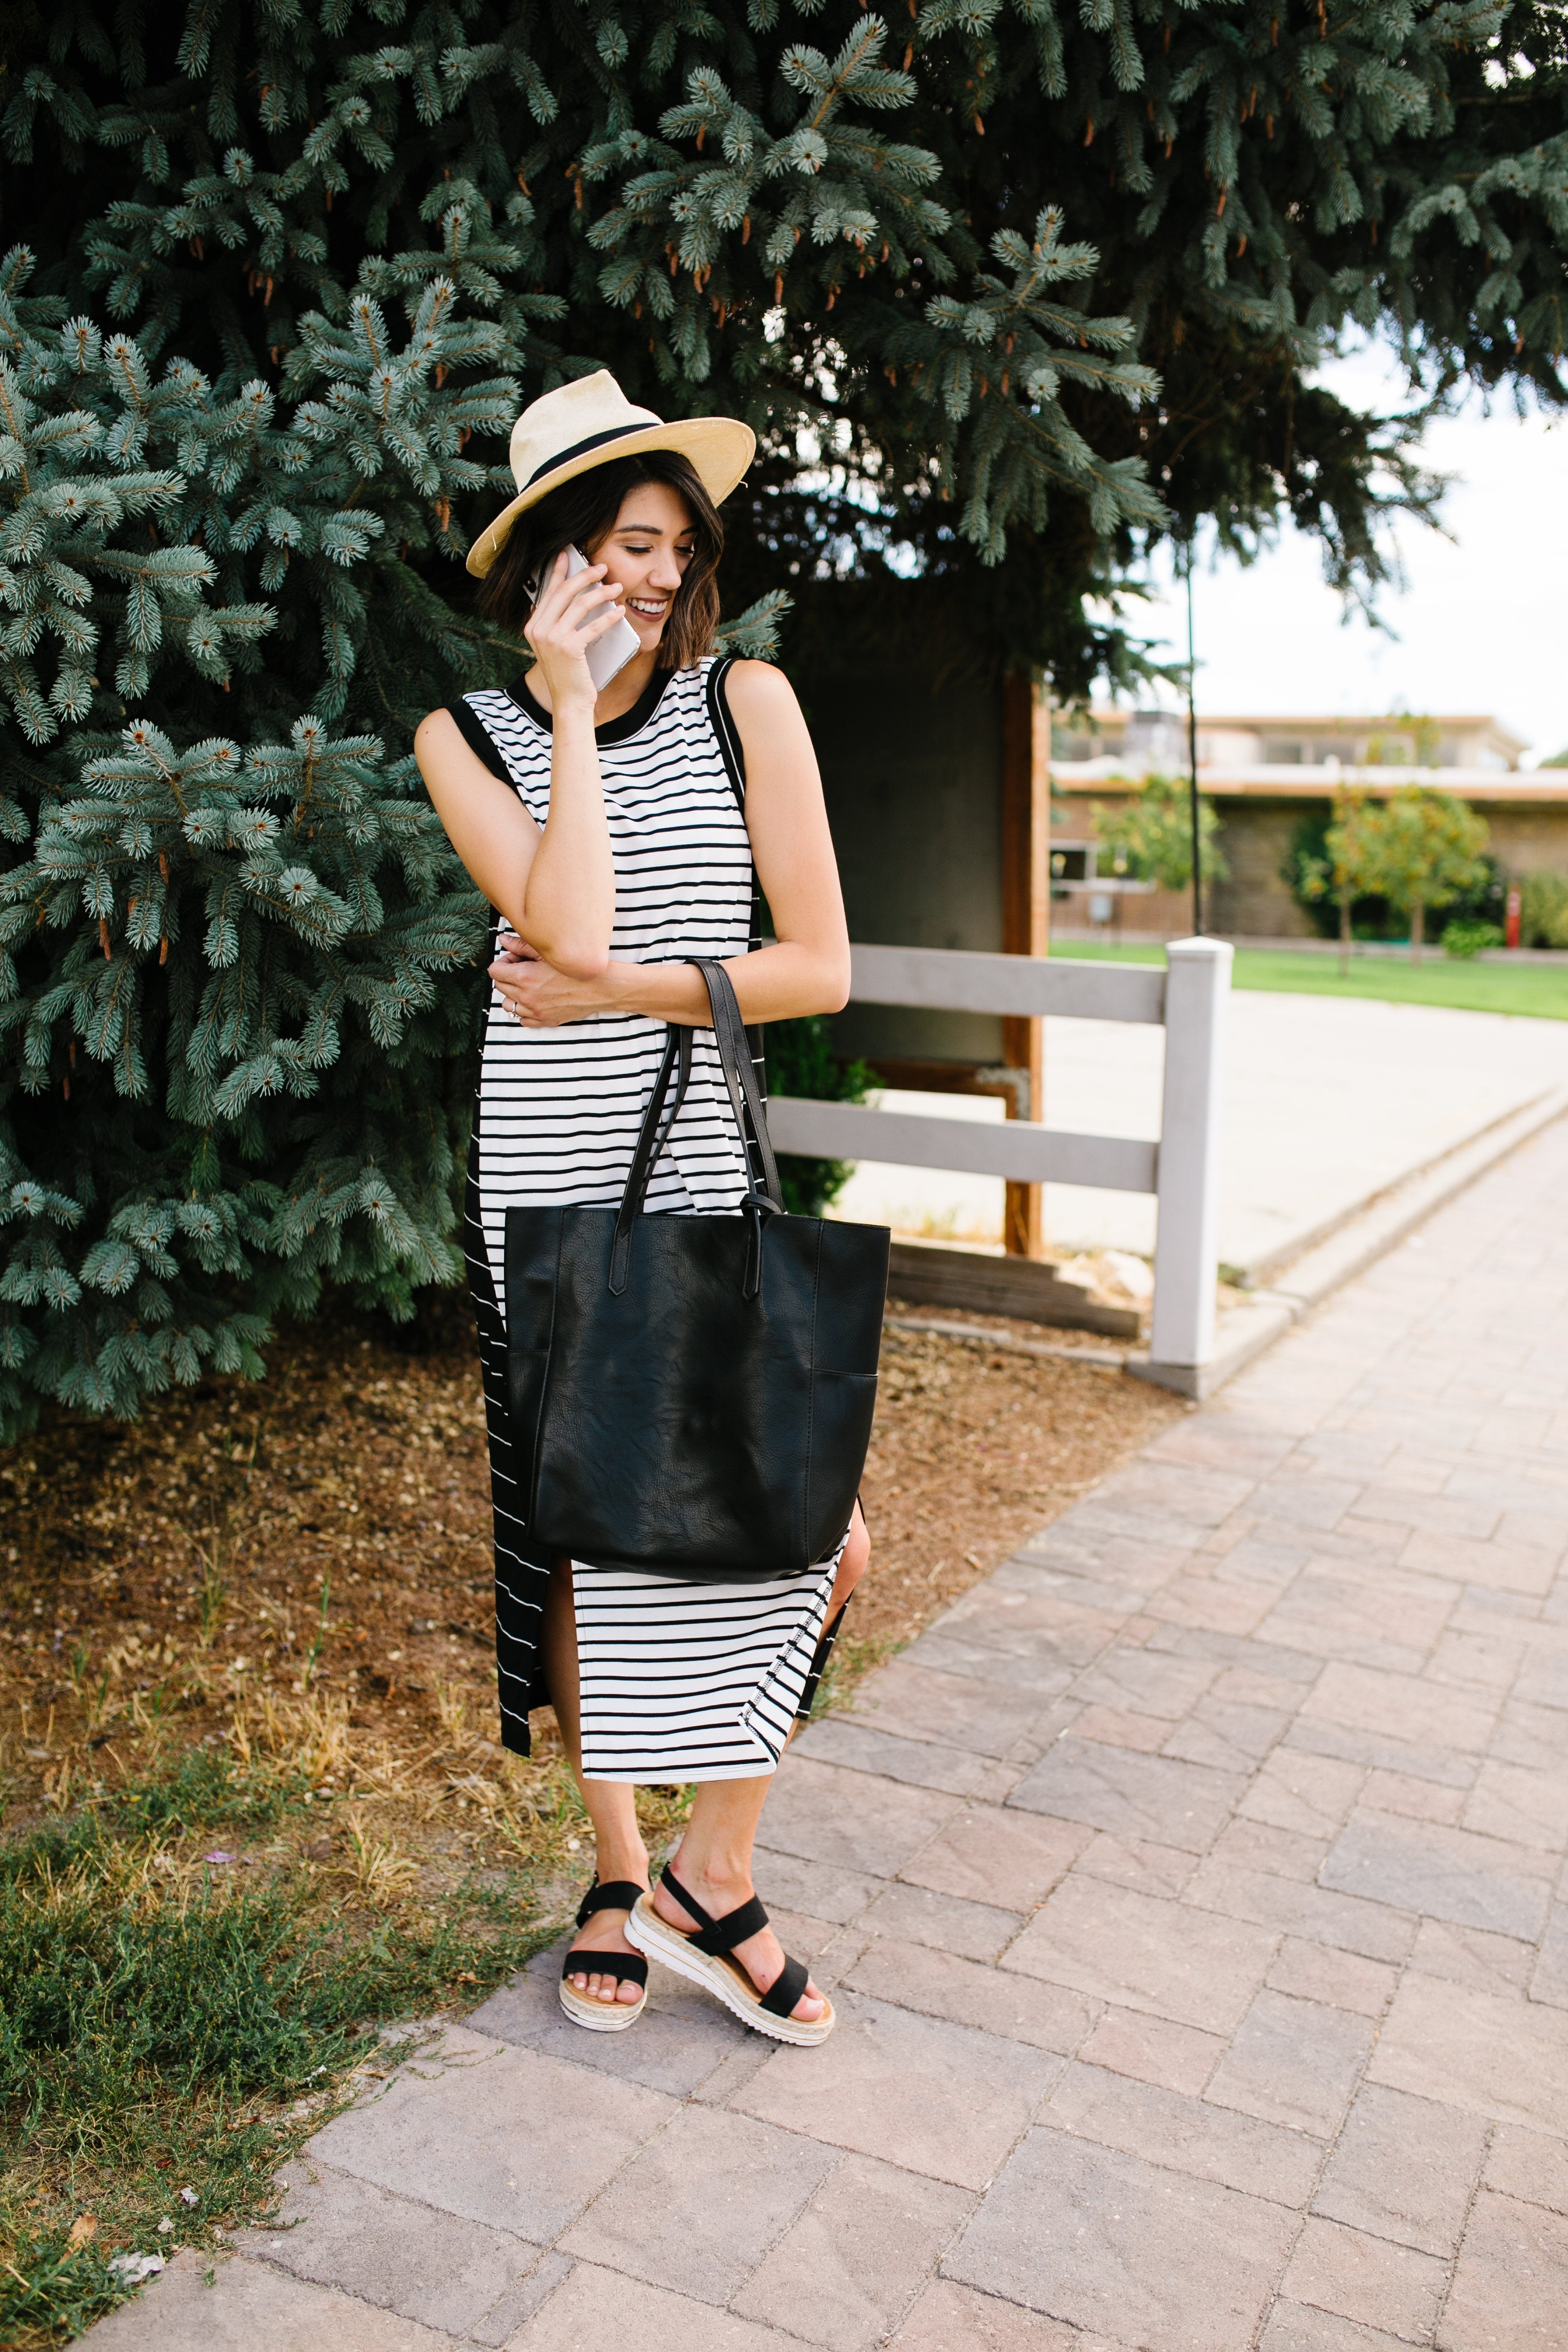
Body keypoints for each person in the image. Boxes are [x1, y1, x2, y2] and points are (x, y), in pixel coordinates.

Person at [415, 370, 870, 2045]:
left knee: (815, 1519)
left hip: (696, 1150)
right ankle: (619, 1872)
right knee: (582, 1535)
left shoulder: (751, 700)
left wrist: (613, 997)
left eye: (680, 545)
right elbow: (563, 903)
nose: (661, 576)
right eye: (625, 545)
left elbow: (814, 965)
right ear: (554, 560)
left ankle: (714, 1864)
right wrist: (574, 711)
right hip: (540, 1163)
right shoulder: (462, 739)